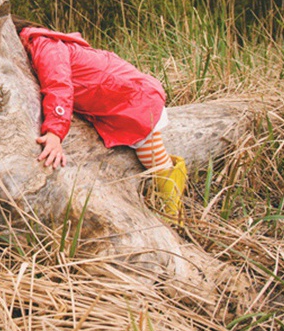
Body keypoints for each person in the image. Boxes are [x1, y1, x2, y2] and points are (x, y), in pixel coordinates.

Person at [12, 16, 187, 219]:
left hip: (133, 100)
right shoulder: (43, 43)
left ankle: (173, 212)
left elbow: (59, 86)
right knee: (152, 155)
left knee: (155, 159)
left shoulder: (44, 45)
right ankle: (170, 198)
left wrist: (54, 133)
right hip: (122, 97)